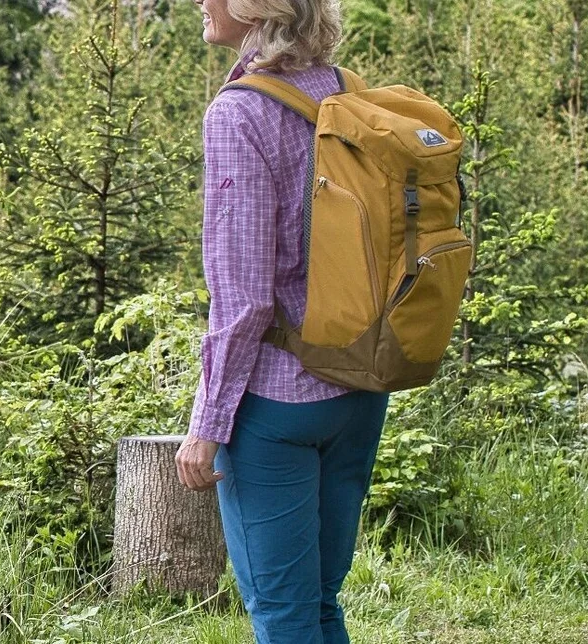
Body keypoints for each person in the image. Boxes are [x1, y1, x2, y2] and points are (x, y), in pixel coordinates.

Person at [175, 1, 393, 643]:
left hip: (279, 404)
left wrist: (206, 427)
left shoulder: (239, 112)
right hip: (359, 384)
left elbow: (243, 301)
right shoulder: (345, 92)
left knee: (282, 614)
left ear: (254, 9)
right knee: (320, 603)